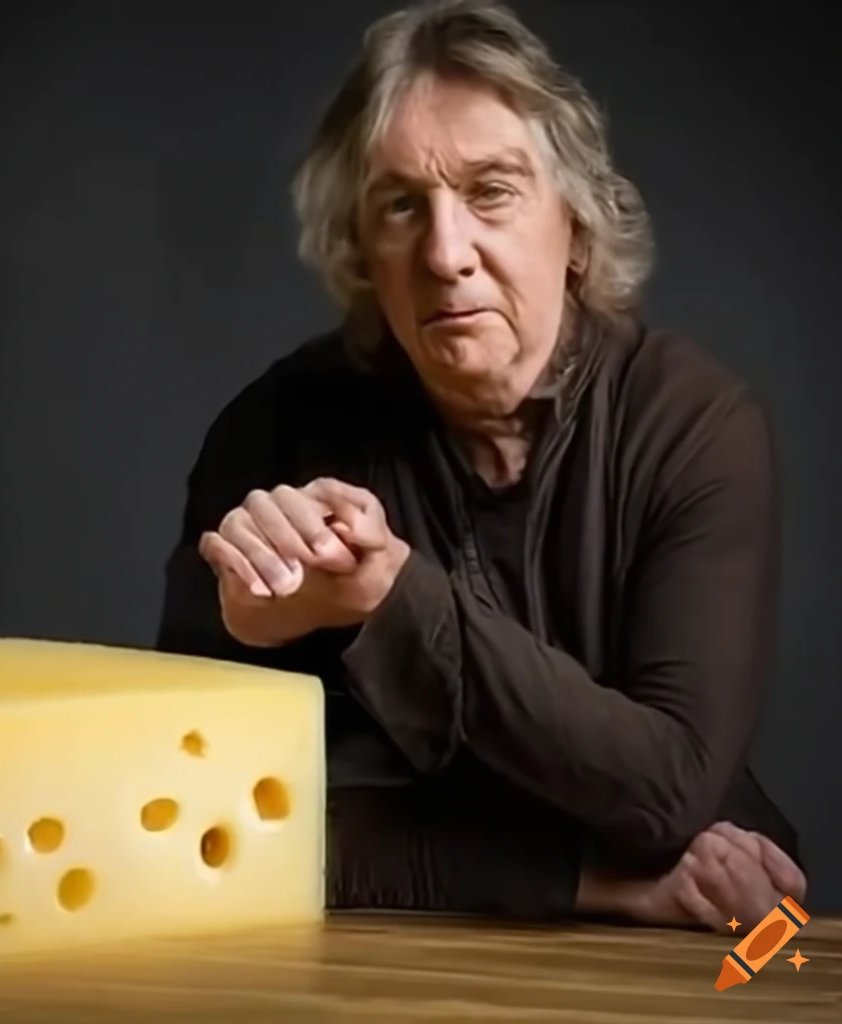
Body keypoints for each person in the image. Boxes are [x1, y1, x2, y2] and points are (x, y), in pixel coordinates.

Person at [157, 0, 807, 933]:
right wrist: (600, 877)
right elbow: (202, 829)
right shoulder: (270, 436)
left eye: (491, 191)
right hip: (380, 959)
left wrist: (388, 600)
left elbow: (670, 790)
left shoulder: (695, 424)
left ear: (576, 226)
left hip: (706, 941)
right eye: (401, 207)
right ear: (363, 253)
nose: (446, 254)